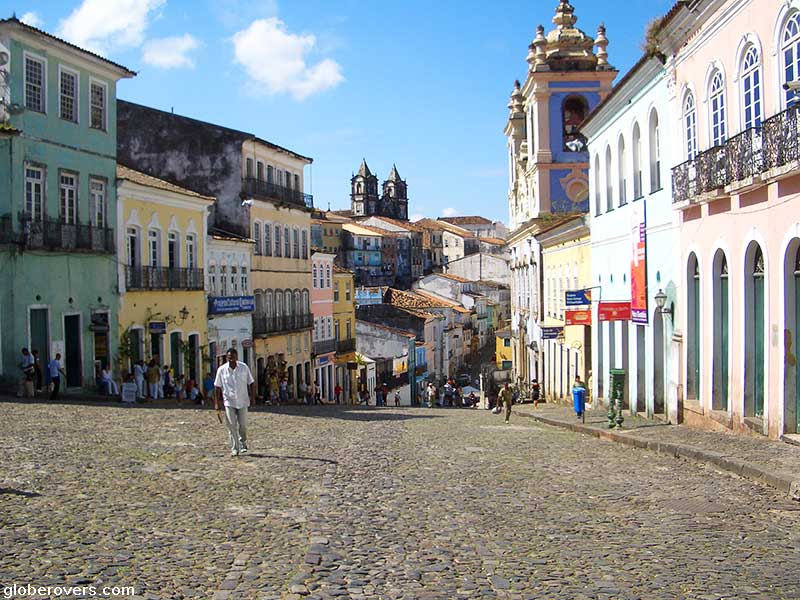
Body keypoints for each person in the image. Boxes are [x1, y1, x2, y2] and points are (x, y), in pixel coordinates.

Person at [214, 348, 255, 457]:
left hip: (243, 401)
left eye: (233, 357)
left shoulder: (244, 368)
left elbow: (251, 382)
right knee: (231, 425)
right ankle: (235, 447)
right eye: (229, 358)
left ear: (237, 357)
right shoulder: (222, 370)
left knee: (243, 424)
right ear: (227, 358)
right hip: (229, 402)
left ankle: (243, 443)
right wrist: (217, 403)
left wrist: (253, 396)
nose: (231, 360)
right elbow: (217, 387)